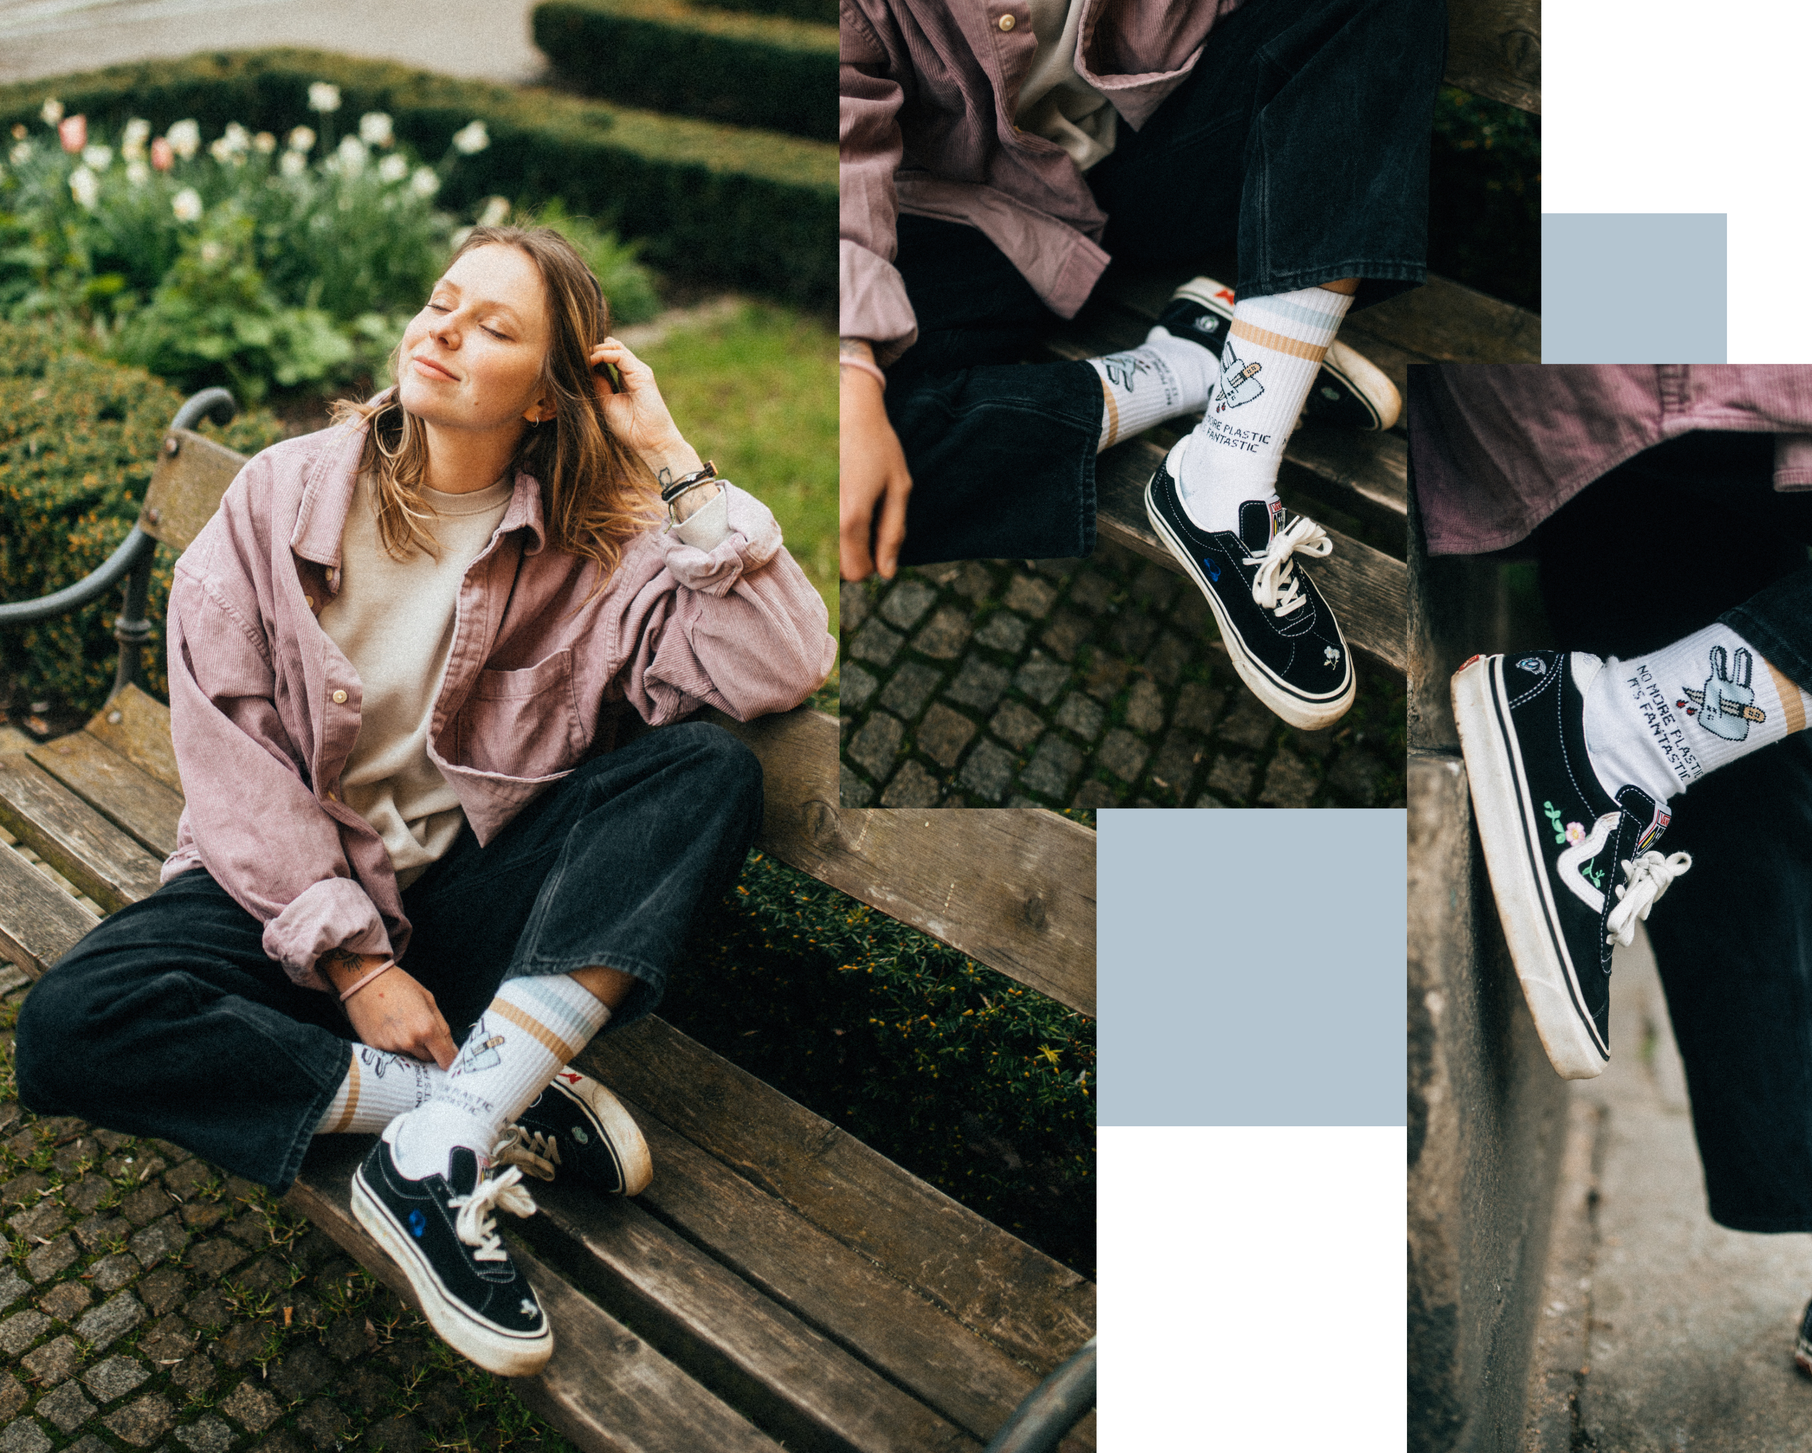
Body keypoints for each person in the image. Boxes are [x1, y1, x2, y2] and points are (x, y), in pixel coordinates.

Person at [11, 225, 836, 1377]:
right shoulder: (283, 495)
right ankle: (488, 1091)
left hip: (467, 903)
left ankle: (435, 1148)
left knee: (707, 771)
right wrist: (355, 964)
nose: (442, 329)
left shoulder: (605, 548)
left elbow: (783, 663)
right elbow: (232, 755)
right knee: (70, 1027)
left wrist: (670, 452)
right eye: (441, 302)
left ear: (550, 398)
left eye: (494, 326)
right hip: (285, 892)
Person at [1412, 363, 1812, 1396]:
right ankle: (1613, 732)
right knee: (1711, 696)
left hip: (1617, 405)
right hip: (1655, 348)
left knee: (1758, 721)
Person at [839, 0, 1439, 729]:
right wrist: (850, 367)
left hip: (1157, 155)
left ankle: (1230, 465)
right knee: (841, 465)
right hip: (965, 210)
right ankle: (1194, 362)